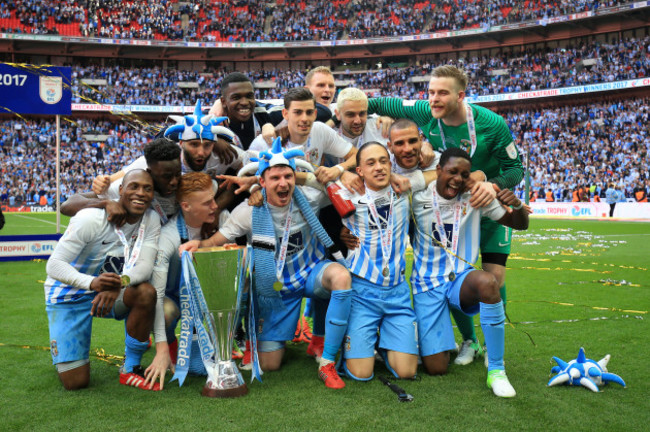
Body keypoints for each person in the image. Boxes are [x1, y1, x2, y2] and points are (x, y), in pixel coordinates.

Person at [366, 65, 524, 365]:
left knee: (495, 277)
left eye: (442, 93)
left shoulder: (493, 124)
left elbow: (516, 169)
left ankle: (493, 344)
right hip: (449, 208)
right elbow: (373, 103)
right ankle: (470, 341)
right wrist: (331, 112)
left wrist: (492, 184)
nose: (433, 100)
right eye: (430, 92)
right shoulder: (424, 112)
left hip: (485, 203)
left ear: (461, 95)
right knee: (447, 271)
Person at [181, 141, 352, 389]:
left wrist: (301, 177)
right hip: (276, 288)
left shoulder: (310, 198)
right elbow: (218, 240)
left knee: (340, 277)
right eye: (275, 178)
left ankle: (326, 359)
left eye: (288, 176)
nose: (283, 183)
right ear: (262, 182)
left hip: (311, 273)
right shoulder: (248, 210)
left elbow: (338, 187)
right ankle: (266, 341)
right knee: (270, 364)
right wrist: (198, 244)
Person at [411, 147, 529, 398]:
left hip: (459, 280)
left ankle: (496, 369)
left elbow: (519, 224)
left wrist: (517, 205)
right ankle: (427, 340)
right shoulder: (418, 196)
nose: (458, 179)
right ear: (438, 171)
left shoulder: (474, 196)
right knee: (436, 367)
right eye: (452, 172)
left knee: (488, 282)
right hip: (426, 285)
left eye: (465, 174)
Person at [44, 170, 166, 391]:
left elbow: (146, 265)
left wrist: (118, 282)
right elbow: (53, 265)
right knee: (75, 382)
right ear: (120, 190)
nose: (140, 193)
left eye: (147, 189)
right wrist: (92, 284)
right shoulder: (90, 218)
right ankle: (64, 351)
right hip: (68, 295)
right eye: (134, 186)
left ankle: (131, 368)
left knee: (146, 292)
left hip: (112, 288)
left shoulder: (151, 219)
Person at [339, 142, 419, 381]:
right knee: (361, 374)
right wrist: (339, 171)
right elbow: (310, 181)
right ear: (359, 170)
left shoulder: (404, 189)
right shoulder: (346, 195)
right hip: (362, 292)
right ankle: (364, 343)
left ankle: (386, 343)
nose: (379, 167)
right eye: (371, 163)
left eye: (384, 161)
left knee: (407, 372)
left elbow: (438, 172)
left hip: (397, 291)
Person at [151, 172, 221, 374]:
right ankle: (170, 346)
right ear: (186, 206)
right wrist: (161, 347)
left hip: (204, 294)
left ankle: (224, 342)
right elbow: (156, 292)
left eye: (214, 199)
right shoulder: (168, 237)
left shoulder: (220, 222)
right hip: (174, 298)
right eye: (208, 203)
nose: (215, 206)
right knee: (166, 311)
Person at [62, 137, 182, 226]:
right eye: (166, 176)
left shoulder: (188, 183)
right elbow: (67, 205)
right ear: (150, 173)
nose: (174, 182)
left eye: (178, 175)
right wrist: (105, 203)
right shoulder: (132, 188)